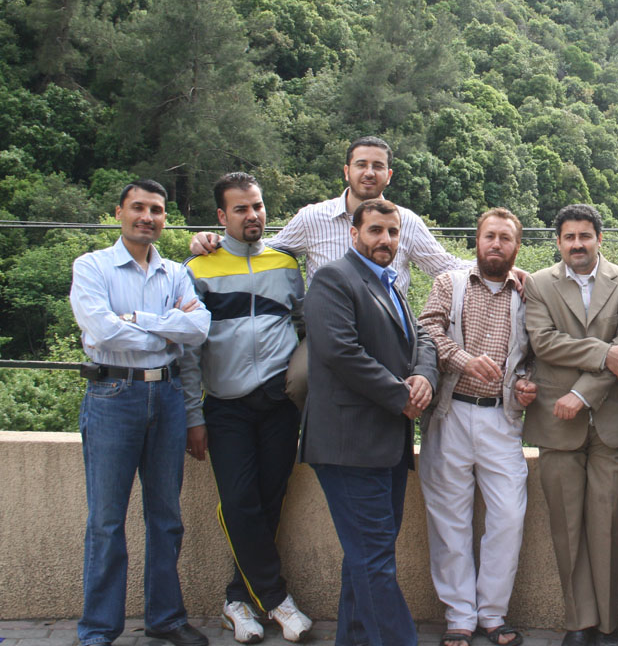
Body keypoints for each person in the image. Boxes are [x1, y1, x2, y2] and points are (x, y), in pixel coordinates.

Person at [69, 179, 212, 646]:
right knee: (106, 521)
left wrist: (135, 319)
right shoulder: (92, 266)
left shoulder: (175, 273)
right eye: (138, 207)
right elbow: (102, 332)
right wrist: (167, 328)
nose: (147, 217)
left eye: (156, 210)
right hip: (113, 395)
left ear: (165, 218)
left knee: (166, 516)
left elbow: (198, 329)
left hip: (167, 396)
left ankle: (166, 618)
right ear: (119, 212)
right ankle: (98, 629)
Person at [299, 198, 438, 646]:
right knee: (375, 562)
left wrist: (424, 378)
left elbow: (422, 339)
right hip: (350, 447)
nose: (386, 239)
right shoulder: (334, 279)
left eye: (393, 232)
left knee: (365, 557)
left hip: (385, 446)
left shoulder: (389, 282)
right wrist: (402, 396)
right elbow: (340, 352)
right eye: (376, 230)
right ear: (353, 233)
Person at [179, 173, 312, 643]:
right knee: (238, 501)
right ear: (221, 216)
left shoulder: (284, 262)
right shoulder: (198, 268)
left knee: (271, 499)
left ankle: (237, 600)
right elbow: (187, 352)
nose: (252, 215)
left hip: (278, 403)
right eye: (240, 208)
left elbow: (302, 324)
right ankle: (276, 598)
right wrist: (193, 415)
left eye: (257, 205)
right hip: (225, 405)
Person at [523, 204, 618, 646]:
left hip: (612, 424)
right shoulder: (538, 284)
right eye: (569, 237)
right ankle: (579, 623)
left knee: (609, 527)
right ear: (558, 242)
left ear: (598, 239)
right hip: (557, 427)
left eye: (585, 236)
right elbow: (544, 343)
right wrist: (601, 352)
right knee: (566, 528)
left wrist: (581, 394)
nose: (578, 244)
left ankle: (608, 626)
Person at [417, 208, 539, 646]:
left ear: (517, 247)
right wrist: (463, 360)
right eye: (490, 236)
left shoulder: (528, 294)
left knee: (508, 517)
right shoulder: (448, 283)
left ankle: (492, 613)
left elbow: (538, 353)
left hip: (501, 419)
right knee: (449, 520)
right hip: (449, 414)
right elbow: (426, 330)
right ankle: (459, 617)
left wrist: (527, 383)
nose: (496, 244)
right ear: (477, 240)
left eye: (506, 238)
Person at [190, 136, 473, 290]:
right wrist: (216, 241)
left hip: (387, 331)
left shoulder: (406, 221)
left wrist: (495, 263)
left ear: (388, 176)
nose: (369, 172)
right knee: (298, 379)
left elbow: (444, 266)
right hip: (327, 332)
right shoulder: (313, 217)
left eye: (377, 166)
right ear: (347, 171)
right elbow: (266, 250)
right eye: (361, 164)